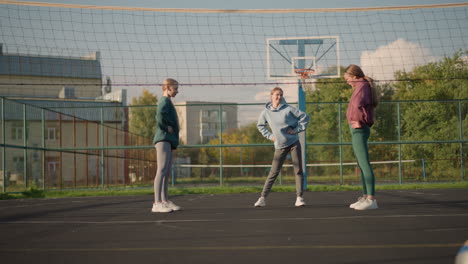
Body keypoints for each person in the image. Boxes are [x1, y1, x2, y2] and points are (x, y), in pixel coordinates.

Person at [254, 87, 310, 207]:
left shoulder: (289, 109)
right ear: (271, 96)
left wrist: (296, 130)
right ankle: (262, 198)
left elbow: (305, 117)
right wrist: (270, 136)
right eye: (277, 95)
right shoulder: (266, 112)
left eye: (281, 95)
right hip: (279, 146)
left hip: (294, 143)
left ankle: (299, 197)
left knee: (298, 170)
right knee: (273, 172)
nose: (279, 97)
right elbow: (260, 126)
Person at [344, 64, 380, 210]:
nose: (347, 82)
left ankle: (371, 199)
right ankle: (365, 197)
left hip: (359, 128)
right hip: (356, 129)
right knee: (361, 164)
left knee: (364, 164)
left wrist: (357, 120)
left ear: (354, 76)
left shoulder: (362, 85)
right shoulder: (360, 86)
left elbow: (359, 104)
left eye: (347, 79)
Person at [151, 78, 181, 213]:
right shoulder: (163, 101)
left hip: (168, 139)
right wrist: (165, 127)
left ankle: (165, 200)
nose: (177, 91)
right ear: (168, 88)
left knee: (167, 171)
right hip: (163, 139)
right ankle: (156, 203)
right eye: (175, 88)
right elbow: (159, 116)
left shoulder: (168, 101)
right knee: (161, 170)